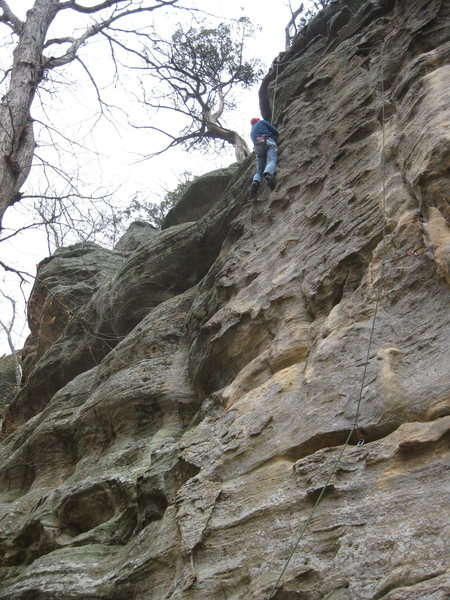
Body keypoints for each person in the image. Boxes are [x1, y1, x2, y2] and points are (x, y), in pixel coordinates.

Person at [249, 117, 279, 197]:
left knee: (259, 170)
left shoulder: (251, 132)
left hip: (258, 147)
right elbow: (274, 131)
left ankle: (255, 182)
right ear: (258, 120)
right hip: (268, 141)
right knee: (271, 160)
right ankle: (269, 174)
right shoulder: (262, 122)